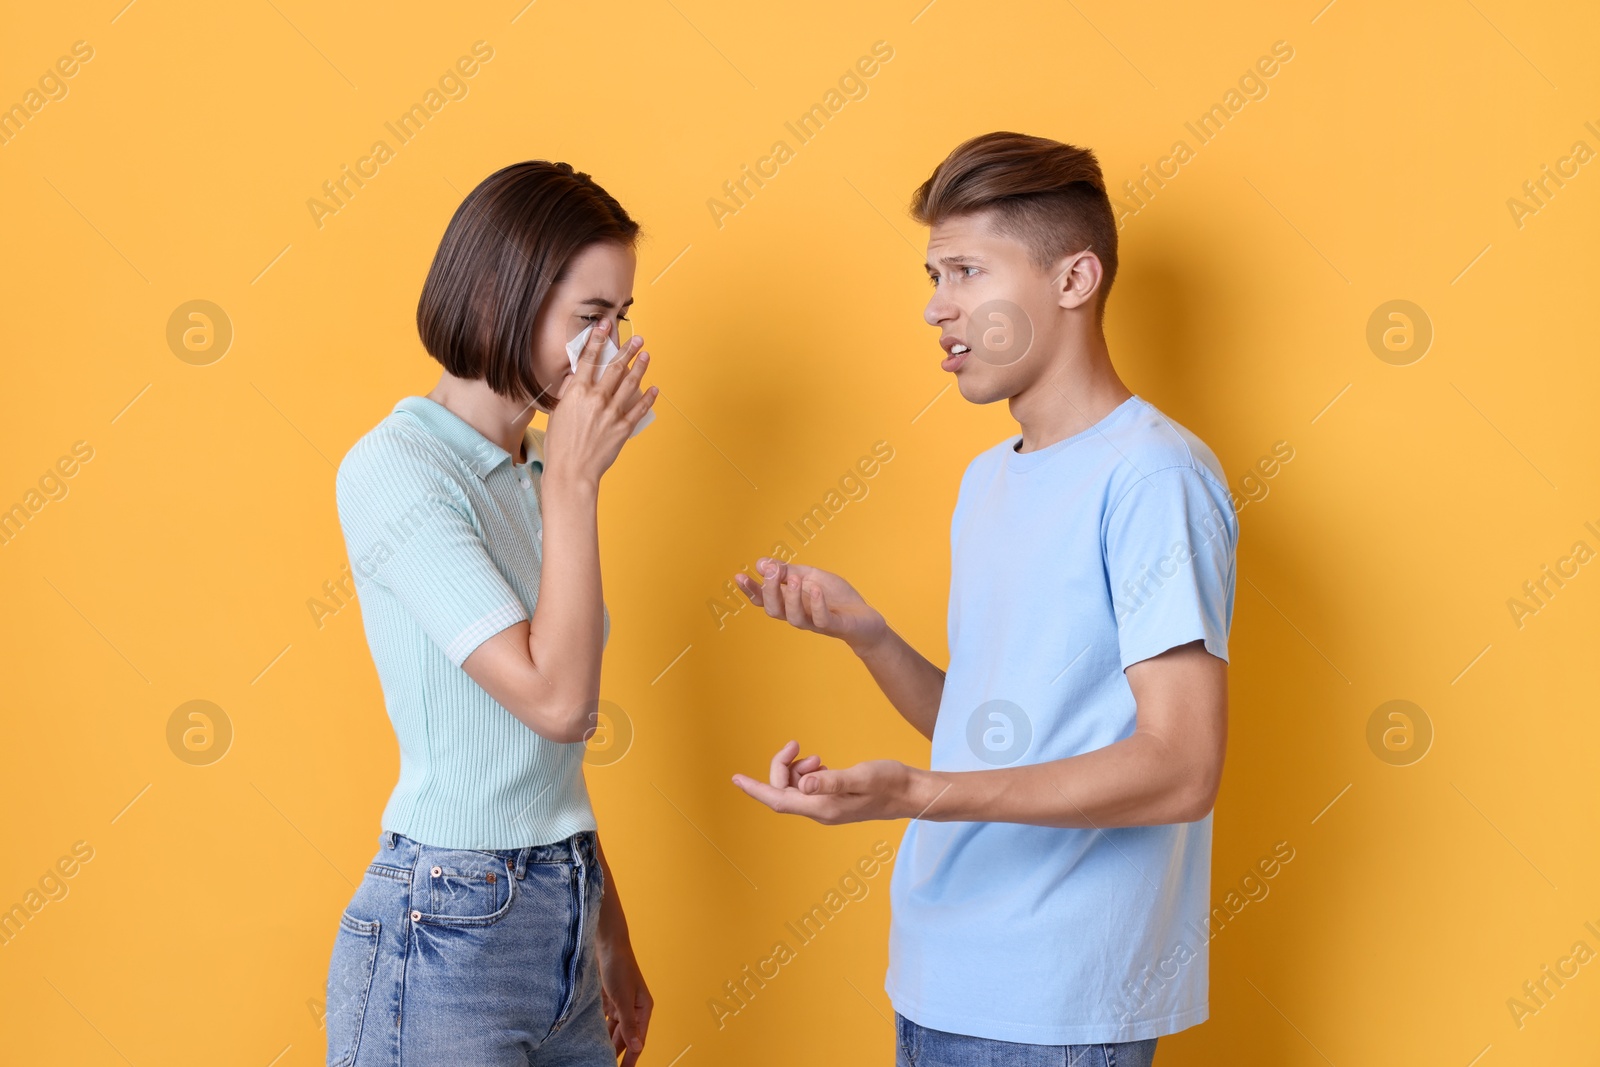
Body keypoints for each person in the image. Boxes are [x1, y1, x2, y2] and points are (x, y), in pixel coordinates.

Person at [730, 131, 1239, 1066]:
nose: (937, 307)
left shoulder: (1155, 476)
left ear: (1074, 279)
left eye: (965, 270)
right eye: (933, 275)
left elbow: (1181, 765)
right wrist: (870, 636)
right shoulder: (988, 479)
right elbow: (997, 734)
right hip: (939, 969)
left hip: (1056, 1001)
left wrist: (922, 793)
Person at [325, 160, 658, 1066]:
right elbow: (556, 702)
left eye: (621, 319)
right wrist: (578, 485)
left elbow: (543, 761)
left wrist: (607, 930)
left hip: (564, 910)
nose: (611, 350)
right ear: (502, 300)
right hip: (443, 930)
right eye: (592, 320)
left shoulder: (538, 472)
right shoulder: (397, 469)